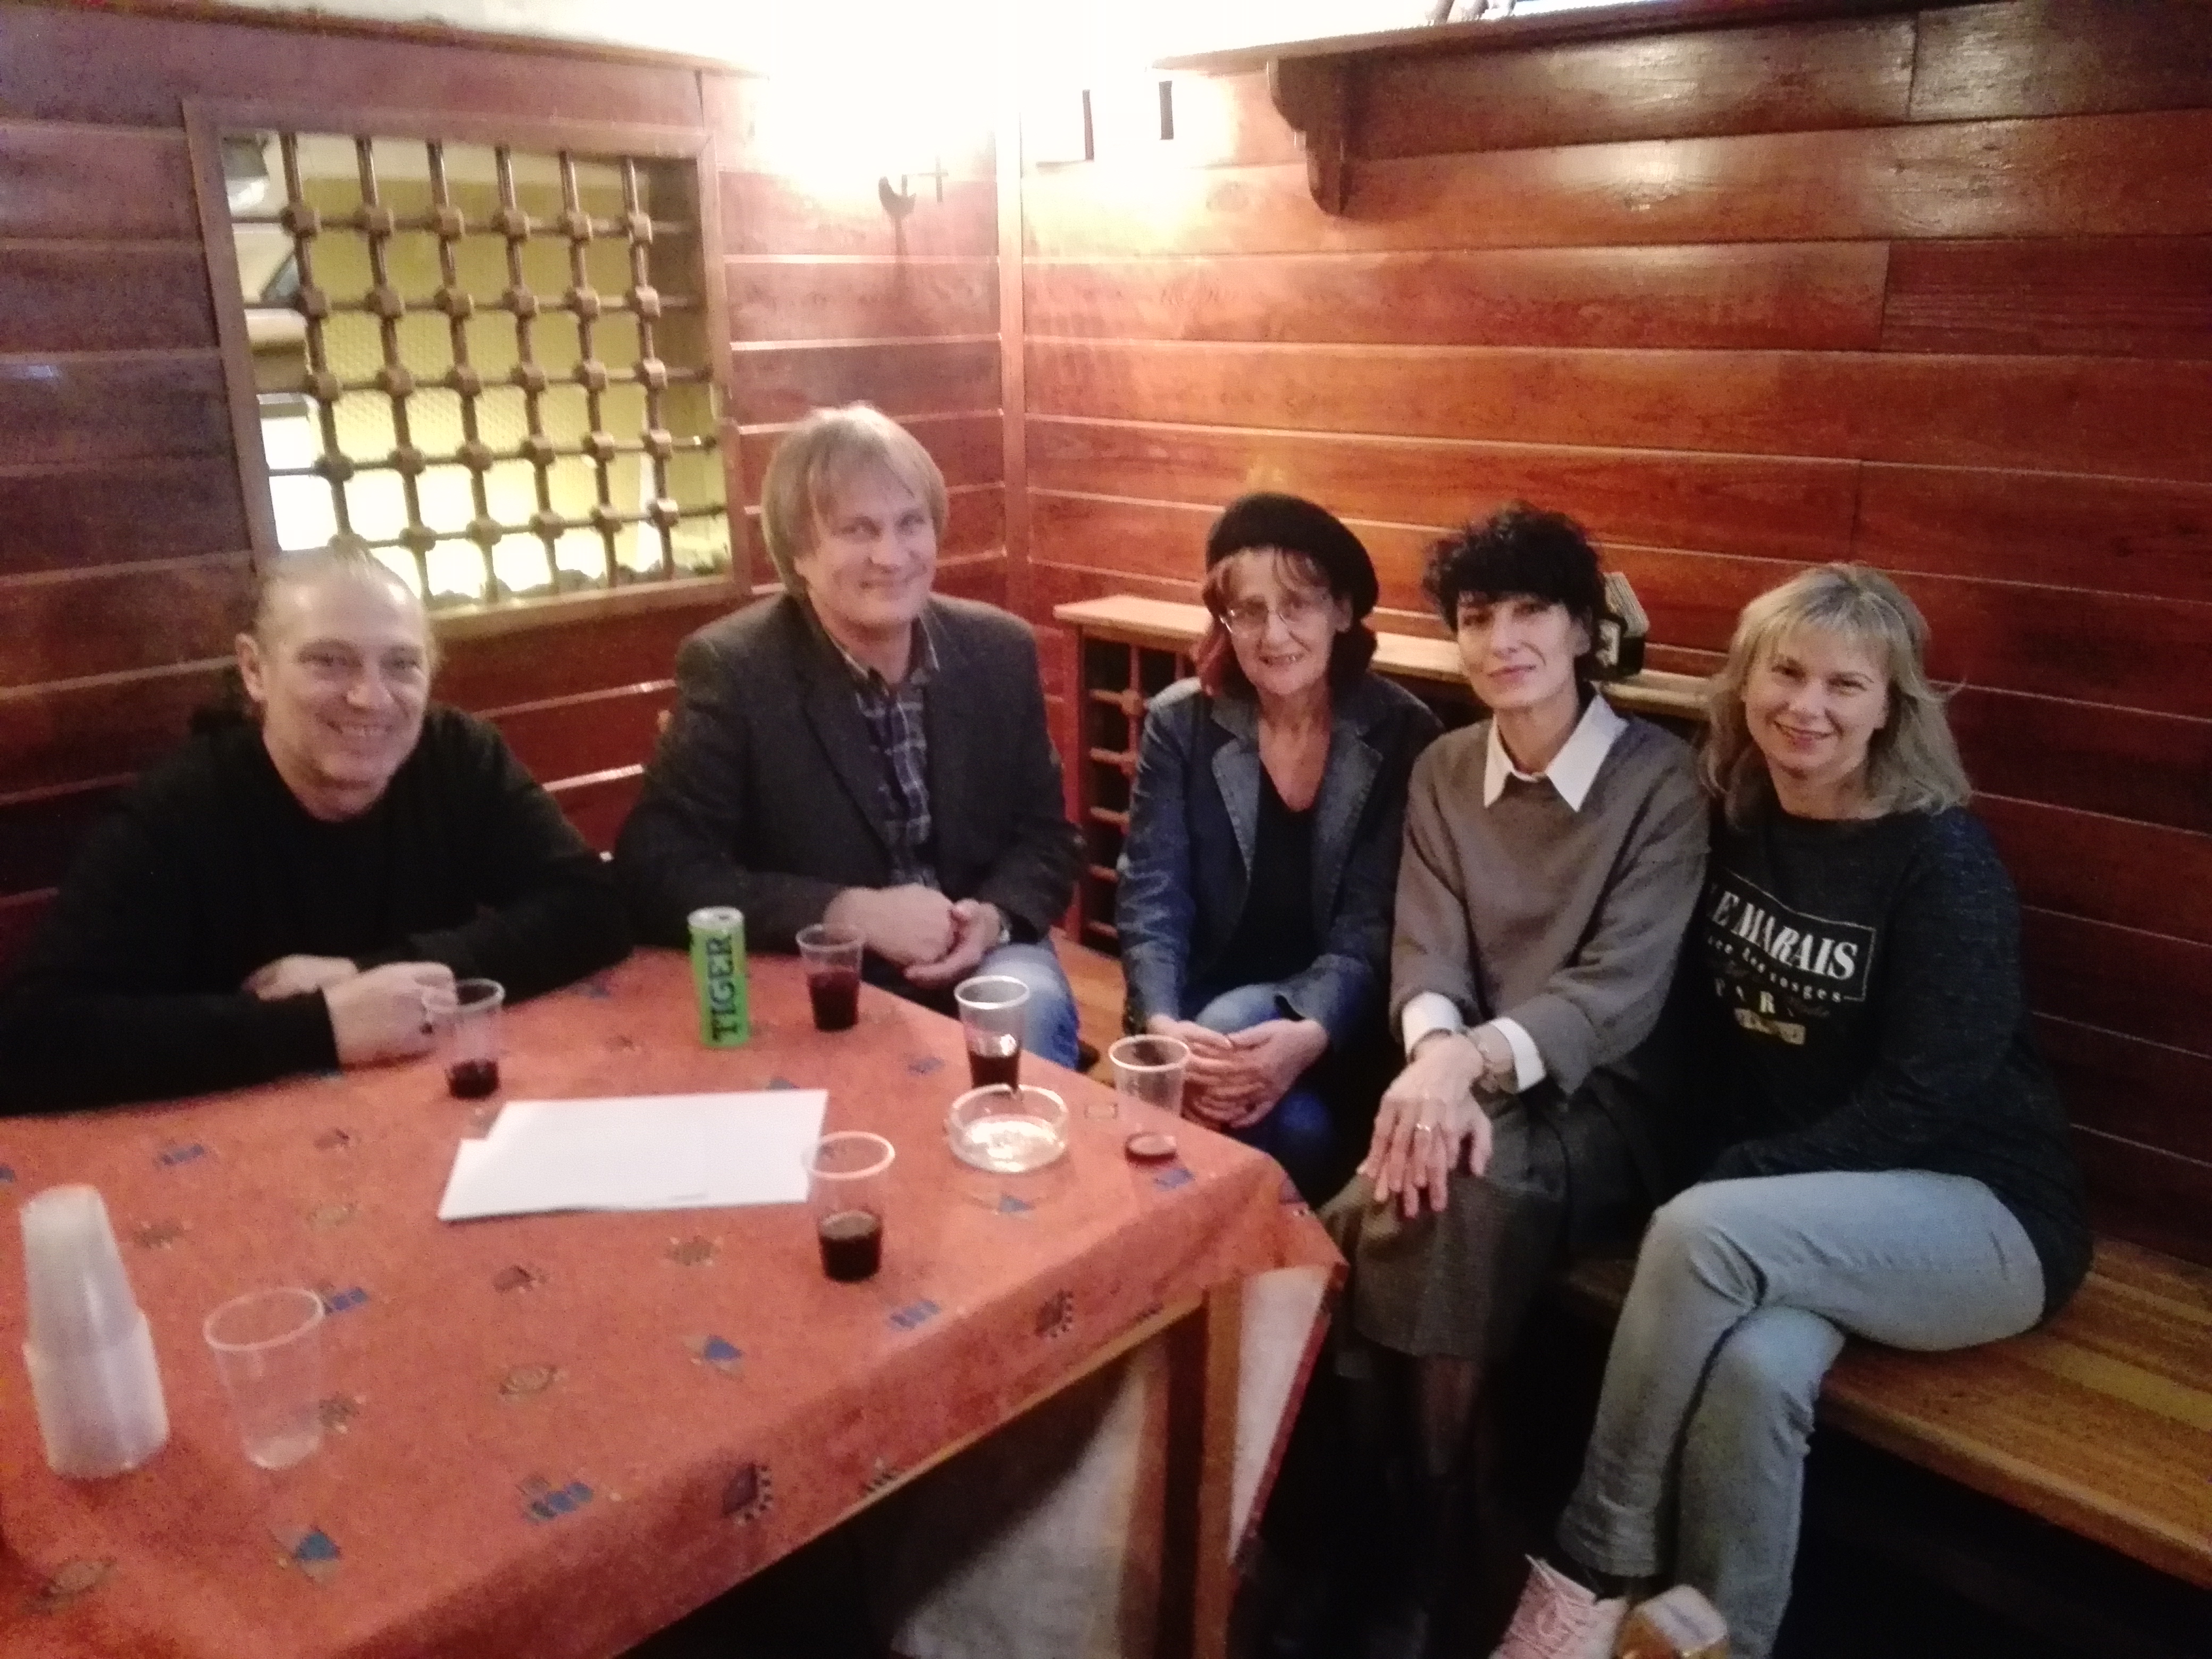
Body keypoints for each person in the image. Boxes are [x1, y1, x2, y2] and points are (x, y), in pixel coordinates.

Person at [1489, 566, 2091, 1659]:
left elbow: (1929, 1095)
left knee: (1701, 1231)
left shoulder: (1939, 858)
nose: (1807, 706)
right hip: (1813, 1207)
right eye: (1787, 672)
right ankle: (1714, 1639)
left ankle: (1591, 1563)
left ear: (1890, 708)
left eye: (1844, 685)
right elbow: (1706, 1035)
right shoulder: (1742, 818)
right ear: (1746, 680)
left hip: (1983, 1212)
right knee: (1757, 1372)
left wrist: (1739, 1179)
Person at [1319, 504, 1708, 1655]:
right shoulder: (1445, 768)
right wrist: (1439, 1063)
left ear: (1586, 629)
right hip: (1466, 1088)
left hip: (1607, 1101)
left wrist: (1462, 1063)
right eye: (1478, 617)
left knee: (1446, 1203)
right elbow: (1425, 952)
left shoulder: (1662, 784)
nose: (1502, 641)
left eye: (1532, 611)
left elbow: (1619, 991)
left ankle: (1428, 1546)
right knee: (1360, 1215)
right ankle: (1392, 1508)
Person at [0, 541, 632, 1112]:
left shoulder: (458, 756)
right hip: (249, 1143)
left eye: (402, 665)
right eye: (329, 662)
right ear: (254, 670)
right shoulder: (181, 812)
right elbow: (31, 1040)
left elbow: (592, 911)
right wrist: (321, 1025)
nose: (371, 698)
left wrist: (367, 974)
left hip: (433, 1111)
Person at [614, 404, 1082, 1063]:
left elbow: (1046, 838)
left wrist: (993, 918)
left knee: (1026, 1007)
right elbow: (657, 872)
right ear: (798, 554)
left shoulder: (998, 650)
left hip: (985, 953)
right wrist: (846, 912)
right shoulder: (735, 669)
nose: (891, 556)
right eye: (857, 530)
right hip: (820, 964)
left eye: (910, 523)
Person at [1116, 494, 1440, 1203]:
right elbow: (1152, 896)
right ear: (1224, 621)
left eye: (1297, 605)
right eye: (1249, 611)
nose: (1274, 634)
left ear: (1342, 612)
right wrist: (1163, 1027)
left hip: (1334, 1027)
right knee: (1298, 1136)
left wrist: (1311, 1031)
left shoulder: (1402, 733)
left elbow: (1372, 926)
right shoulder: (1181, 724)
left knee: (1264, 1111)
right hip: (1198, 1017)